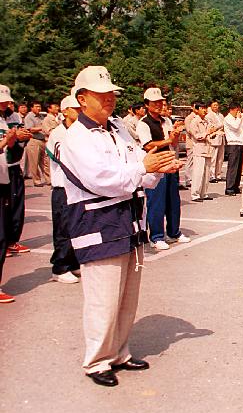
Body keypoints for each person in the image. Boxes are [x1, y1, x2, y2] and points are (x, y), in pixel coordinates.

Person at [60, 65, 180, 387]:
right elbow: (101, 179)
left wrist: (159, 170)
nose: (109, 100)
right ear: (82, 99)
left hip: (128, 218)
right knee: (103, 295)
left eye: (112, 94)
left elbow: (136, 165)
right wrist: (143, 167)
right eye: (102, 95)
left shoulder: (117, 129)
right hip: (98, 221)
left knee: (127, 294)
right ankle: (97, 359)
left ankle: (119, 351)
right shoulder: (77, 137)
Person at [137, 88, 191, 250]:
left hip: (170, 163)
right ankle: (156, 236)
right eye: (155, 102)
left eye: (161, 102)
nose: (159, 105)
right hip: (156, 165)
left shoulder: (166, 121)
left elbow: (173, 143)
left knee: (173, 200)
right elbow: (148, 145)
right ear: (147, 104)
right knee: (156, 201)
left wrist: (174, 136)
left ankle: (174, 232)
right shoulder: (143, 123)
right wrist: (168, 139)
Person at [45, 95, 82, 283]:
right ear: (65, 110)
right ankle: (59, 268)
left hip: (77, 188)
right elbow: (64, 158)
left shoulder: (79, 131)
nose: (79, 111)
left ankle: (73, 262)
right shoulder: (58, 133)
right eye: (75, 108)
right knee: (63, 229)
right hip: (62, 188)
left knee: (76, 227)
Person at [0, 85, 22, 303]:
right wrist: (7, 139)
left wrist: (13, 139)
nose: (5, 105)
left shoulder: (3, 119)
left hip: (3, 178)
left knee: (2, 234)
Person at [4, 103, 31, 255]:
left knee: (16, 206)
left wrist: (22, 136)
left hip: (14, 165)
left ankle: (12, 241)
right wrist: (13, 137)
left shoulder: (14, 117)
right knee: (4, 208)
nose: (7, 105)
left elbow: (23, 134)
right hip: (3, 167)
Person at [185, 101, 220, 203]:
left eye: (205, 108)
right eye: (202, 108)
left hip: (208, 148)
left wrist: (213, 133)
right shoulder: (194, 122)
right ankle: (195, 194)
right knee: (198, 173)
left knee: (206, 173)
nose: (204, 111)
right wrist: (207, 133)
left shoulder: (206, 121)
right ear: (197, 109)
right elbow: (196, 136)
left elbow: (209, 133)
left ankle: (203, 193)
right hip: (199, 149)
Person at [24, 101, 50, 186]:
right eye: (36, 106)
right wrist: (43, 127)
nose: (38, 108)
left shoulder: (41, 116)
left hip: (43, 141)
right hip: (34, 140)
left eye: (39, 106)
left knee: (45, 162)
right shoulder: (29, 117)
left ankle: (49, 179)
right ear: (31, 108)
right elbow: (30, 129)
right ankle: (37, 180)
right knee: (34, 162)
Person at [224, 102, 243, 196]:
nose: (238, 112)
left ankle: (236, 186)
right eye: (237, 110)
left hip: (240, 143)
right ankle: (229, 188)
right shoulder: (228, 119)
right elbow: (235, 127)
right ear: (232, 109)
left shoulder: (238, 119)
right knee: (232, 167)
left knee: (238, 167)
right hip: (232, 143)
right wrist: (239, 118)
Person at [207, 100, 226, 183]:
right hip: (214, 138)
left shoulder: (221, 115)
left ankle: (218, 174)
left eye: (217, 105)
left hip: (221, 137)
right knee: (213, 158)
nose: (216, 107)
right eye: (214, 105)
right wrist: (220, 126)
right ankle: (212, 175)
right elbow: (212, 127)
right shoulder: (209, 116)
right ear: (211, 106)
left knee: (220, 158)